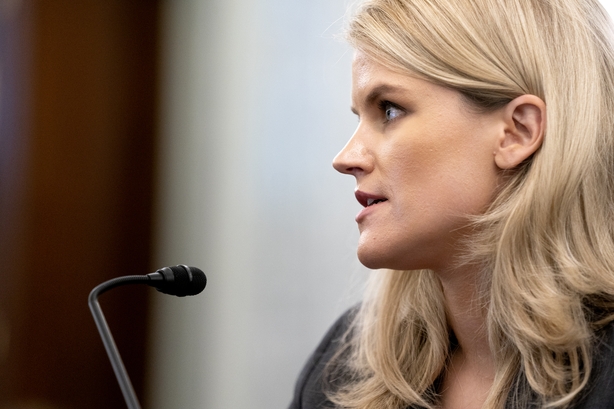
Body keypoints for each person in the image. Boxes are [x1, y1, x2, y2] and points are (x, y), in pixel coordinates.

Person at [288, 0, 614, 408]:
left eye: (389, 110)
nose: (346, 158)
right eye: (359, 117)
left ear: (517, 132)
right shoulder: (340, 368)